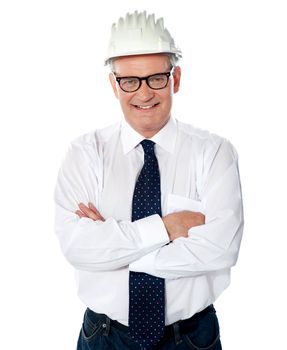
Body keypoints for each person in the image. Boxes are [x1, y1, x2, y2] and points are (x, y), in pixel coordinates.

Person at [54, 10, 243, 350]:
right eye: (130, 81)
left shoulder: (214, 153)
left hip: (191, 337)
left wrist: (114, 251)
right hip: (104, 337)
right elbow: (76, 246)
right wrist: (167, 228)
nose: (144, 94)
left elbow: (220, 249)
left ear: (176, 79)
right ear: (114, 84)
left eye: (156, 78)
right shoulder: (85, 154)